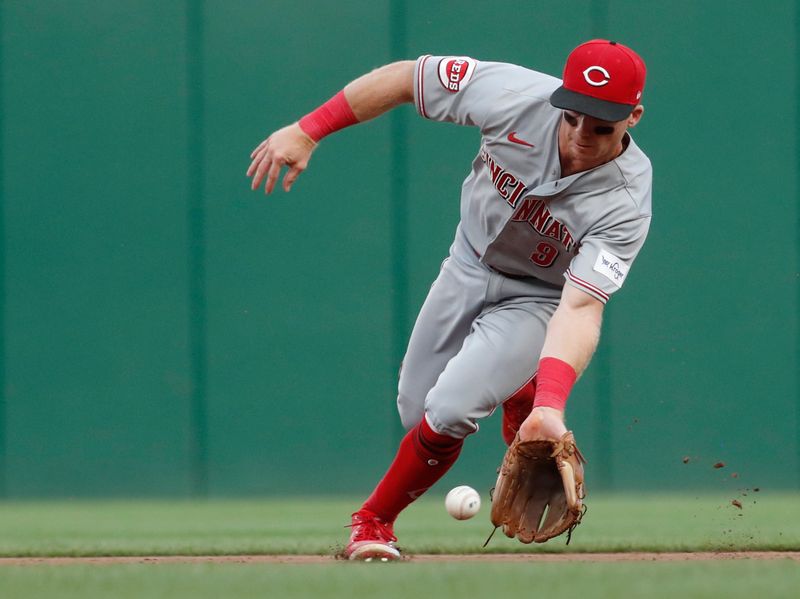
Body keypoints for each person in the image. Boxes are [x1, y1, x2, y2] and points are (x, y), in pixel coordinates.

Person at [247, 39, 651, 561]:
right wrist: (308, 129)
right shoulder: (511, 94)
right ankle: (515, 384)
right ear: (561, 96)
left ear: (633, 117)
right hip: (468, 264)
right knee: (418, 412)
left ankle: (372, 521)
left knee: (450, 410)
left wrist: (552, 406)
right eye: (572, 117)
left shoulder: (626, 200)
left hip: (540, 297)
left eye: (601, 126)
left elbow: (580, 307)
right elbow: (403, 78)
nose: (580, 136)